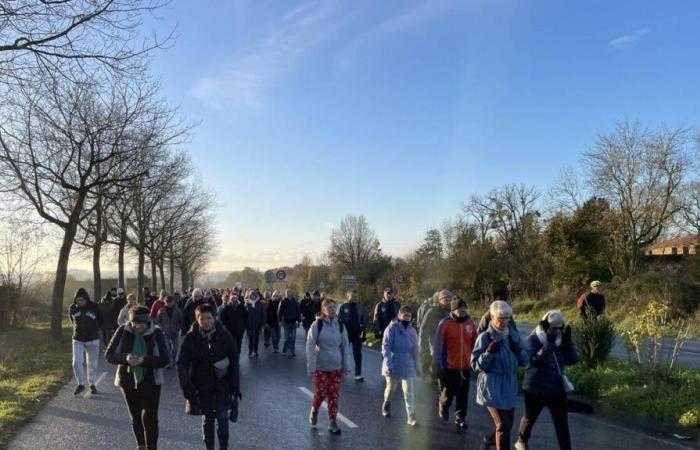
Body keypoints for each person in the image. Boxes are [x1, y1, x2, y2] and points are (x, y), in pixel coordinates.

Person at [106, 305, 169, 450]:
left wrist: (144, 360)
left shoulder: (156, 332)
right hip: (127, 380)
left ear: (148, 321)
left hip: (151, 380)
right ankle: (141, 445)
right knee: (135, 416)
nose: (138, 326)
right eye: (135, 323)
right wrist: (125, 358)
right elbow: (109, 355)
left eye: (142, 323)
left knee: (150, 418)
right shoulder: (122, 330)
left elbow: (165, 359)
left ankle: (151, 447)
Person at [178, 304, 241, 450]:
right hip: (201, 385)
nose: (205, 321)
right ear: (197, 319)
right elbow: (182, 362)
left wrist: (235, 386)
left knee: (223, 418)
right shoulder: (190, 338)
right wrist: (186, 385)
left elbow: (234, 361)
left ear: (214, 318)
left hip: (222, 385)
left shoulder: (225, 336)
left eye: (209, 318)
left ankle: (223, 446)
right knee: (208, 419)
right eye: (202, 318)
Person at [515, 311, 577, 450]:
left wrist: (567, 343)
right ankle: (521, 441)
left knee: (562, 424)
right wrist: (548, 344)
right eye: (554, 328)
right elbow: (531, 362)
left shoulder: (562, 339)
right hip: (535, 388)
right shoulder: (533, 339)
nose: (558, 331)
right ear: (545, 326)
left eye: (560, 327)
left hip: (556, 389)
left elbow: (573, 360)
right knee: (530, 418)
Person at [471, 300, 528, 450]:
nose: (504, 322)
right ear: (492, 317)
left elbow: (524, 361)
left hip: (509, 385)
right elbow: (475, 365)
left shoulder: (513, 336)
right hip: (491, 385)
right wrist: (488, 353)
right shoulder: (485, 337)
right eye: (500, 318)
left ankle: (489, 440)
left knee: (507, 425)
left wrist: (519, 352)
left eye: (507, 318)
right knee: (502, 425)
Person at [306, 298, 353, 435]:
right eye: (330, 307)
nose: (332, 309)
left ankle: (332, 421)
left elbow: (345, 346)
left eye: (334, 307)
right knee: (321, 393)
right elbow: (310, 346)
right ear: (324, 310)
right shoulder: (317, 325)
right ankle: (314, 409)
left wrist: (346, 366)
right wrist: (311, 366)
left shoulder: (340, 325)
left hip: (336, 366)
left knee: (333, 394)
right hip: (321, 365)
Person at [432, 296, 477, 429]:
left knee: (463, 393)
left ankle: (460, 417)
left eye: (464, 308)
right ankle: (444, 406)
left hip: (465, 366)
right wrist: (437, 363)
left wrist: (475, 359)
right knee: (449, 392)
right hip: (450, 365)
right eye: (459, 309)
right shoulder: (445, 323)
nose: (462, 311)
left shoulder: (470, 323)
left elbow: (475, 342)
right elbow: (438, 345)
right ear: (453, 309)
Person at [381, 306, 419, 426]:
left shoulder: (412, 331)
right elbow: (385, 346)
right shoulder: (392, 328)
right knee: (392, 388)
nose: (407, 318)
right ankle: (386, 403)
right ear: (399, 316)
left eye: (409, 316)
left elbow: (415, 349)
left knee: (409, 390)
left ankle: (411, 416)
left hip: (407, 363)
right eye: (405, 315)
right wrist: (388, 363)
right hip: (393, 362)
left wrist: (417, 364)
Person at [69, 288, 103, 395]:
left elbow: (101, 320)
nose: (80, 302)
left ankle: (92, 383)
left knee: (92, 363)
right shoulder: (73, 308)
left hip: (93, 339)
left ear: (86, 299)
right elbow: (72, 320)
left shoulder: (94, 307)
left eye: (82, 300)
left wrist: (95, 330)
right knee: (76, 362)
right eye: (78, 300)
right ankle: (81, 384)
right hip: (78, 339)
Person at [419, 290, 451, 381]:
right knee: (434, 376)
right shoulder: (432, 312)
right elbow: (423, 331)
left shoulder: (453, 312)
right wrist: (424, 351)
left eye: (450, 299)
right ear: (439, 300)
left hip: (449, 348)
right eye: (445, 299)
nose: (448, 301)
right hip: (434, 346)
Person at [338, 289, 367, 381]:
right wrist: (339, 332)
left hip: (356, 333)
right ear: (348, 297)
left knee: (358, 354)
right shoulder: (343, 307)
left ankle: (358, 374)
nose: (355, 298)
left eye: (356, 297)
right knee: (343, 353)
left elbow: (364, 320)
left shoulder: (360, 307)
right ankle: (341, 371)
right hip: (345, 333)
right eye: (353, 296)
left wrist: (363, 332)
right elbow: (338, 320)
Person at [156, 295, 183, 369]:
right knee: (167, 347)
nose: (168, 304)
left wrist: (178, 328)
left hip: (175, 331)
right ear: (164, 302)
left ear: (173, 302)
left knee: (175, 348)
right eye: (166, 302)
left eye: (170, 302)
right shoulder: (161, 310)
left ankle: (173, 360)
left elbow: (181, 321)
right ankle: (170, 361)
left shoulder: (178, 311)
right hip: (165, 332)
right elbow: (158, 321)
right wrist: (162, 328)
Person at [219, 292, 247, 359]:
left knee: (239, 344)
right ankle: (233, 357)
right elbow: (222, 319)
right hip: (230, 330)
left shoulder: (242, 307)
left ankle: (237, 357)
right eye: (232, 299)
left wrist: (244, 326)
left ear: (237, 300)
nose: (234, 300)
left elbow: (245, 317)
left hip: (240, 330)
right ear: (230, 300)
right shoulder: (227, 308)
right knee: (233, 344)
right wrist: (226, 326)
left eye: (235, 299)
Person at [279, 289, 301, 356]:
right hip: (286, 322)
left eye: (290, 293)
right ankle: (285, 347)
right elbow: (279, 312)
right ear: (286, 294)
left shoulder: (295, 302)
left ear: (292, 294)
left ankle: (292, 351)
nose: (289, 294)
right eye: (288, 293)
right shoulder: (283, 302)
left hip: (294, 322)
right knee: (287, 337)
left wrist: (299, 321)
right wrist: (280, 321)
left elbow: (298, 312)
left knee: (293, 338)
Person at [245, 290, 265, 358]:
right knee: (251, 338)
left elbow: (263, 314)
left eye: (254, 295)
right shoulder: (247, 303)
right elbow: (244, 314)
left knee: (256, 338)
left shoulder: (260, 303)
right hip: (249, 324)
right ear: (250, 296)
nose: (253, 296)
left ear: (256, 296)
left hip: (257, 323)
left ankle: (255, 350)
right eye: (251, 295)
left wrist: (263, 323)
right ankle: (250, 350)